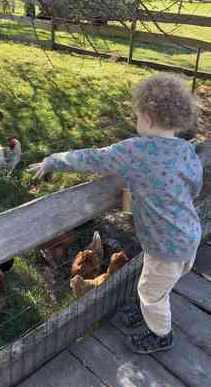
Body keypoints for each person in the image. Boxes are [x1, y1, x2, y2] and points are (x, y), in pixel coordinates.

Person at [28, 73, 203, 354]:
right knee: (158, 285)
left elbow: (91, 158)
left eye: (136, 116)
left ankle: (161, 335)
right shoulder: (185, 150)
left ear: (147, 117)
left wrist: (53, 161)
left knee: (150, 290)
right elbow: (194, 185)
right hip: (189, 237)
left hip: (165, 247)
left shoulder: (135, 151)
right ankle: (152, 308)